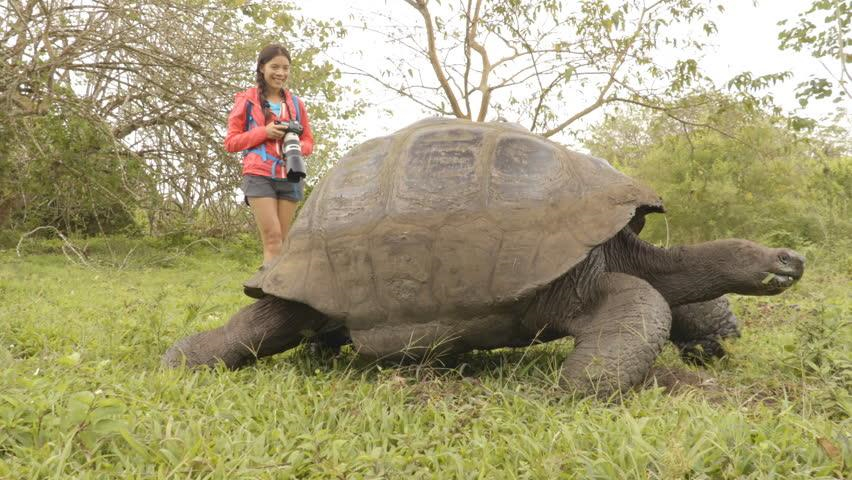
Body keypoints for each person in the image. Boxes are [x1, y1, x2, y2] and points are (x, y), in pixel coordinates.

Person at [224, 43, 314, 267]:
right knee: (272, 239)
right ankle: (269, 296)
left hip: (291, 174)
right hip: (259, 174)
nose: (281, 73)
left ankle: (279, 295)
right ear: (262, 67)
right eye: (275, 67)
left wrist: (292, 145)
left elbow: (310, 142)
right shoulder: (247, 100)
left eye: (285, 68)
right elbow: (231, 142)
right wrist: (265, 132)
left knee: (284, 242)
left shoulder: (295, 103)